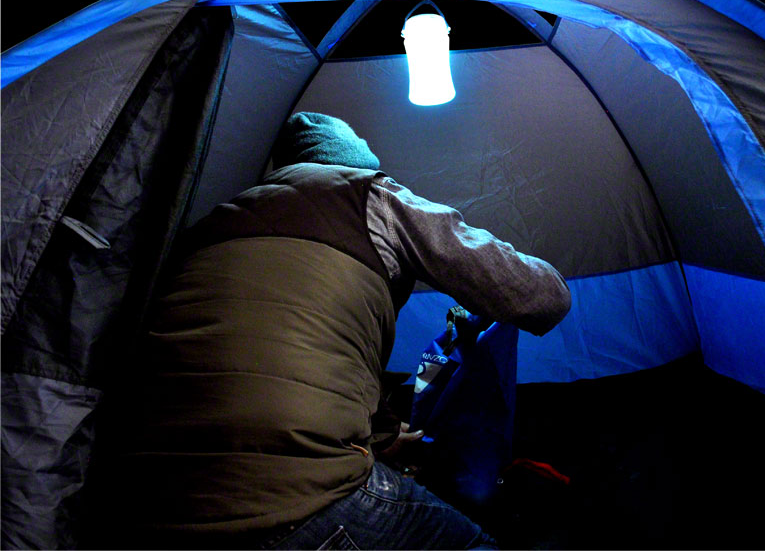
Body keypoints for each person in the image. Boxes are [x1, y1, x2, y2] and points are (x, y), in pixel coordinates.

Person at [116, 112, 571, 549]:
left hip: (144, 503)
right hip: (290, 501)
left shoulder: (204, 229)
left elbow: (289, 357)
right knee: (473, 541)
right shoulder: (369, 197)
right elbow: (539, 296)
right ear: (353, 164)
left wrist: (385, 436)